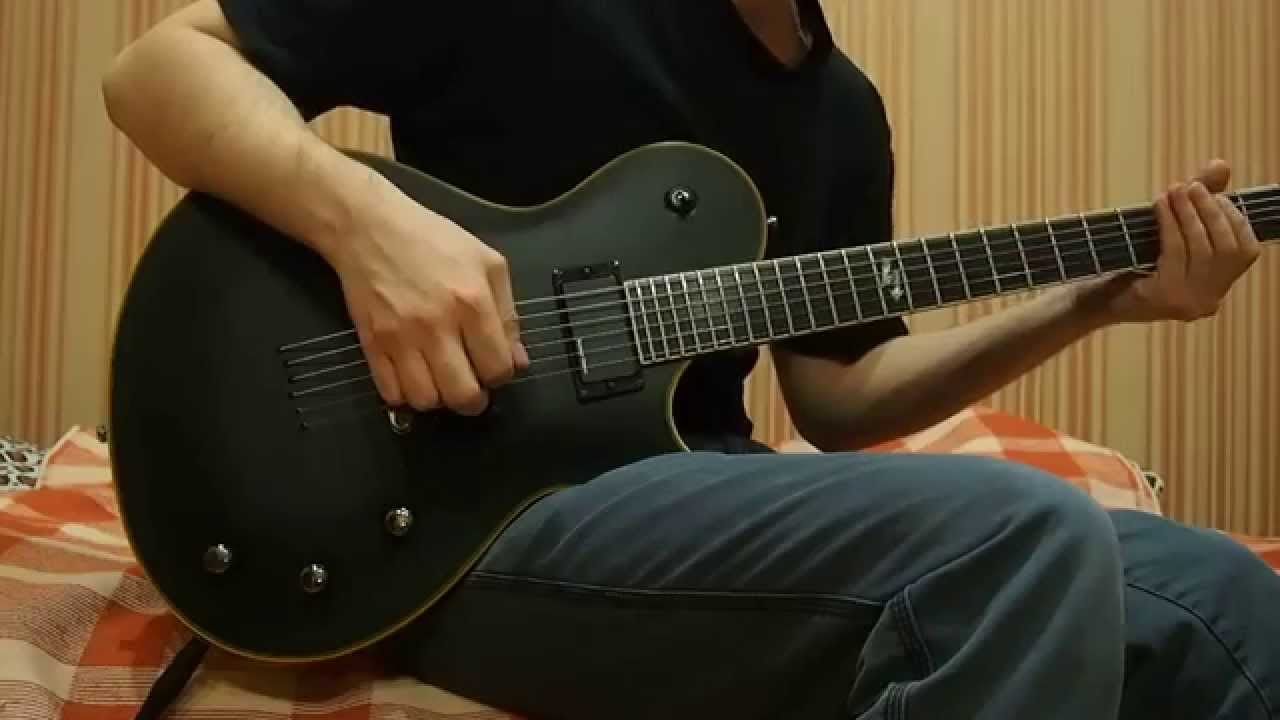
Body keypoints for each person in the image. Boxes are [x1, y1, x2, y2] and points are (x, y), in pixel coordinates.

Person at [102, 1, 1278, 718]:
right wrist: (370, 232)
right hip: (458, 515)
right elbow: (156, 71)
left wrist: (1090, 303)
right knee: (1023, 535)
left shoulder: (839, 109)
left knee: (1224, 598)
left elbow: (840, 396)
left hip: (689, 496)